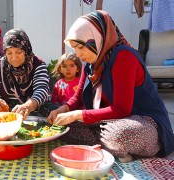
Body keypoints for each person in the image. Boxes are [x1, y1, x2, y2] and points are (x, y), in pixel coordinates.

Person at [47, 10, 174, 162]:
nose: (78, 54)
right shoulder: (91, 62)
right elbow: (78, 97)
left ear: (96, 38)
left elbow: (121, 109)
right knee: (62, 127)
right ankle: (113, 147)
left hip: (144, 122)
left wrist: (77, 115)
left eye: (80, 47)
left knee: (120, 135)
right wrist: (63, 109)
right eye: (74, 48)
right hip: (109, 122)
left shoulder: (123, 56)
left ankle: (111, 144)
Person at [0, 28, 50, 119]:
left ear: (26, 50)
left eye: (18, 52)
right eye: (9, 53)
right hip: (7, 112)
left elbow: (42, 90)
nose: (14, 57)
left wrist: (27, 106)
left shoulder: (37, 64)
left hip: (34, 109)